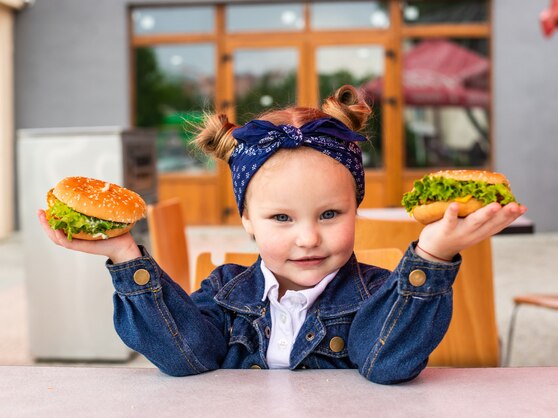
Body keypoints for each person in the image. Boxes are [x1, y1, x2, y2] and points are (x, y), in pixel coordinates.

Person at [38, 85, 526, 384]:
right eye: (281, 219)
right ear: (246, 219)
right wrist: (126, 255)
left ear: (358, 207)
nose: (309, 239)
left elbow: (387, 363)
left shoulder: (380, 292)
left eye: (331, 213)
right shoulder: (223, 291)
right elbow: (184, 357)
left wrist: (432, 256)